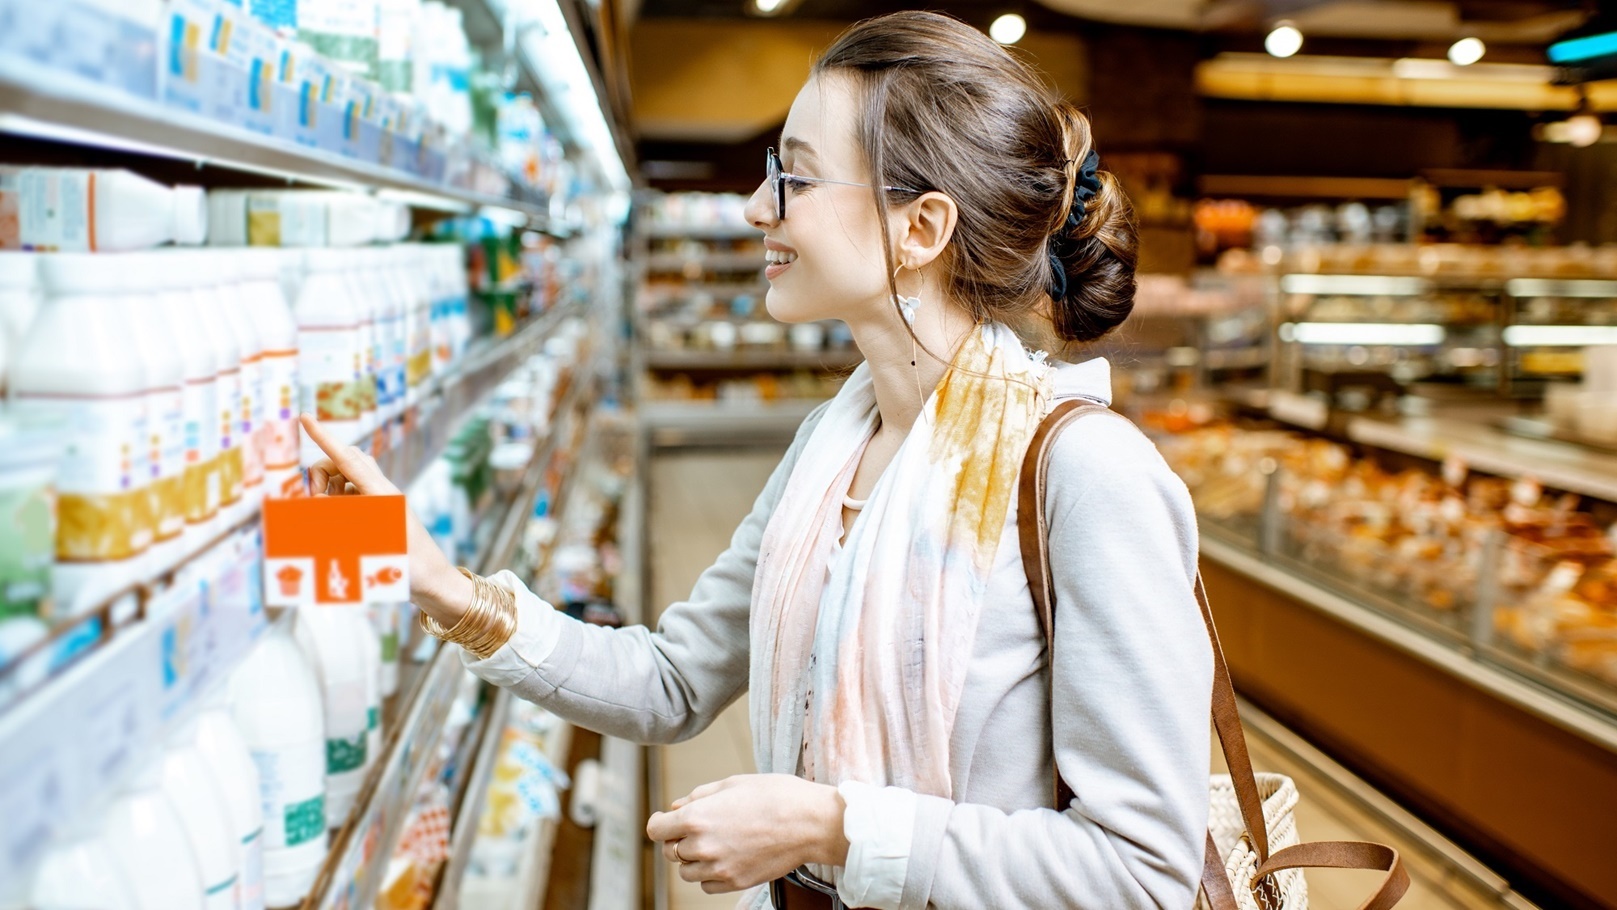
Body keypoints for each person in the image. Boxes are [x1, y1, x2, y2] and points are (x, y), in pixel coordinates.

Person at [301, 11, 1213, 909]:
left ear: (921, 228)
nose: (754, 206)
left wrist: (834, 830)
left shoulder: (1084, 475)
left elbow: (1141, 874)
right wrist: (449, 591)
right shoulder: (834, 442)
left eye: (796, 178)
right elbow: (671, 680)